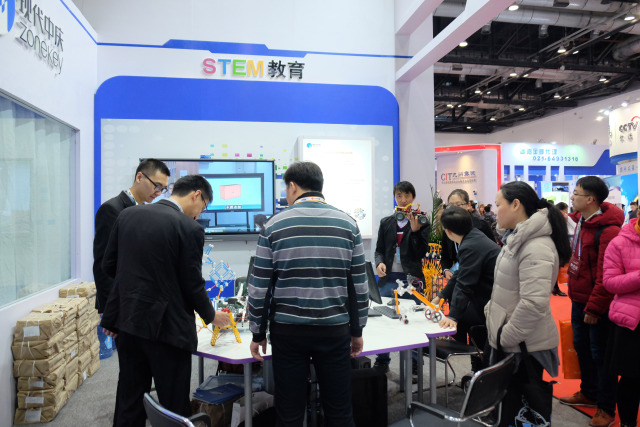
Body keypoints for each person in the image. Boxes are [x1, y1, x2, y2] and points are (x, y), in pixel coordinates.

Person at [100, 175, 231, 427]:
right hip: (168, 330)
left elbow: (109, 265)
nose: (199, 214)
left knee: (129, 397)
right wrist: (212, 315)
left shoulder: (128, 215)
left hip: (129, 323)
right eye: (203, 207)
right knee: (173, 403)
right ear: (196, 195)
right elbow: (192, 284)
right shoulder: (189, 228)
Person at [248, 161, 368, 427]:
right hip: (334, 330)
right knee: (339, 410)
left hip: (288, 331)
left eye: (285, 189)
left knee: (289, 413)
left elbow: (259, 288)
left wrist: (258, 332)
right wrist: (357, 330)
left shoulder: (273, 225)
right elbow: (359, 286)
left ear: (292, 186)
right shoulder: (349, 225)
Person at [485, 182, 571, 425]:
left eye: (498, 204)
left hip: (523, 345)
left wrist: (506, 336)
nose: (495, 210)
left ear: (516, 204)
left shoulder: (536, 246)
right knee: (507, 407)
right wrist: (492, 313)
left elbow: (533, 303)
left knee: (520, 410)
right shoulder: (516, 238)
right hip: (513, 341)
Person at [559, 176, 623, 427]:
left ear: (590, 199)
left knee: (601, 355)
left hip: (597, 305)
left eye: (576, 193)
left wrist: (595, 307)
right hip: (578, 298)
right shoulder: (582, 222)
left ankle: (606, 408)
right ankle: (589, 392)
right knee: (582, 348)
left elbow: (606, 274)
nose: (571, 197)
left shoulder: (608, 231)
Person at [93, 158, 170, 313]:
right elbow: (103, 265)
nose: (158, 192)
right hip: (120, 304)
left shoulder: (144, 211)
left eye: (163, 189)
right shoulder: (112, 210)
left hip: (138, 301)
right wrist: (111, 310)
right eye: (156, 186)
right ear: (139, 177)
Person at [372, 181, 431, 373]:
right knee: (383, 318)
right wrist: (379, 263)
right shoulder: (386, 222)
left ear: (413, 197)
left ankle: (414, 362)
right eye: (399, 195)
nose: (403, 199)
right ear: (395, 197)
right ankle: (382, 359)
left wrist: (415, 232)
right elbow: (379, 250)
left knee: (414, 319)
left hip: (411, 278)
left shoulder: (422, 221)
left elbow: (421, 252)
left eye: (406, 195)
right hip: (388, 278)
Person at [433, 206, 500, 372]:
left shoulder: (470, 245)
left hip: (490, 301)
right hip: (487, 296)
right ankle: (477, 369)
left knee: (462, 324)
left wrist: (453, 316)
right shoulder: (474, 237)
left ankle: (480, 372)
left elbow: (464, 284)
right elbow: (460, 273)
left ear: (448, 232)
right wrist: (441, 296)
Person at [603, 216, 640, 427]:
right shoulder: (619, 243)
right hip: (631, 322)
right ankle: (627, 422)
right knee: (631, 378)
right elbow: (610, 282)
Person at [440, 189, 496, 280]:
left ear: (468, 205)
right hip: (458, 275)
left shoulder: (481, 226)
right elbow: (445, 255)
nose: (454, 209)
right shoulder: (448, 228)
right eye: (451, 206)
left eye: (458, 205)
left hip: (480, 276)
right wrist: (446, 270)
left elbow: (492, 254)